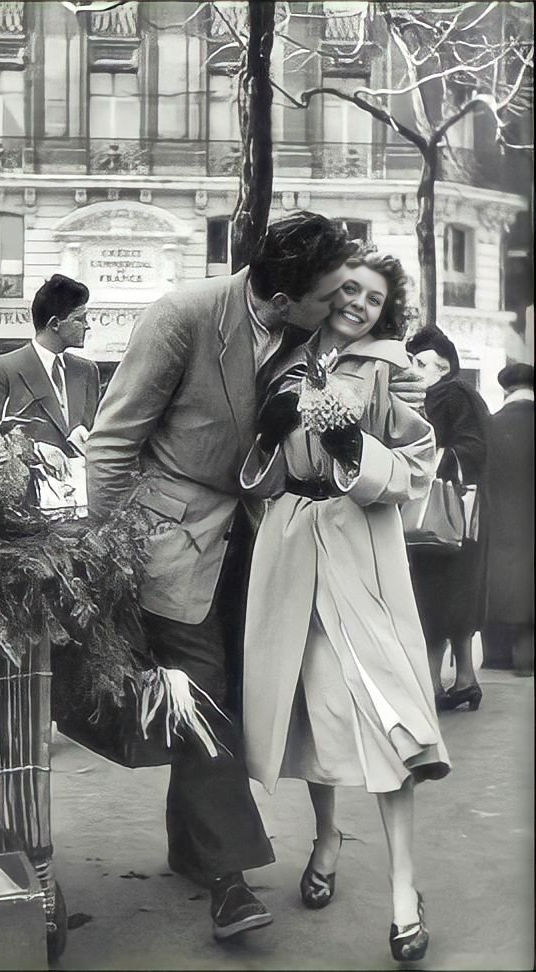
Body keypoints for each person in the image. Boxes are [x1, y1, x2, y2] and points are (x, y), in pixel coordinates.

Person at [85, 213, 427, 941]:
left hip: (262, 541)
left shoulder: (316, 342)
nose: (342, 303)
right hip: (169, 538)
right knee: (202, 694)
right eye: (331, 292)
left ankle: (190, 845)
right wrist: (112, 558)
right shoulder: (183, 315)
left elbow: (382, 429)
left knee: (231, 695)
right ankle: (232, 881)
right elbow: (112, 443)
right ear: (284, 301)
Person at [241, 247, 450, 964]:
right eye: (349, 289)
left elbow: (419, 466)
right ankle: (327, 837)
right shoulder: (282, 361)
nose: (358, 302)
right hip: (293, 551)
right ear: (328, 292)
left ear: (385, 310)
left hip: (360, 555)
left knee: (390, 717)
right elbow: (260, 482)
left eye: (373, 296)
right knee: (313, 711)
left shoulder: (394, 369)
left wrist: (352, 449)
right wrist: (269, 439)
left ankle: (403, 889)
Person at [405, 327, 491, 710]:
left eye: (421, 363)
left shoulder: (449, 394)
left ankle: (436, 684)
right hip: (462, 517)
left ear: (443, 367)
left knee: (435, 596)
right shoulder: (456, 394)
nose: (413, 368)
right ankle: (464, 681)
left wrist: (431, 460)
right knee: (457, 597)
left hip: (444, 513)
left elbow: (471, 447)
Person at [0, 274, 100, 458]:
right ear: (55, 324)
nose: (87, 326)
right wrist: (34, 450)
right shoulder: (0, 368)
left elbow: (96, 431)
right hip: (27, 484)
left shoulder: (87, 371)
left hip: (81, 483)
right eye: (79, 319)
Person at [483, 363, 534, 677]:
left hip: (500, 521)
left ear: (506, 390)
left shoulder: (489, 425)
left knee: (502, 577)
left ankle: (499, 655)